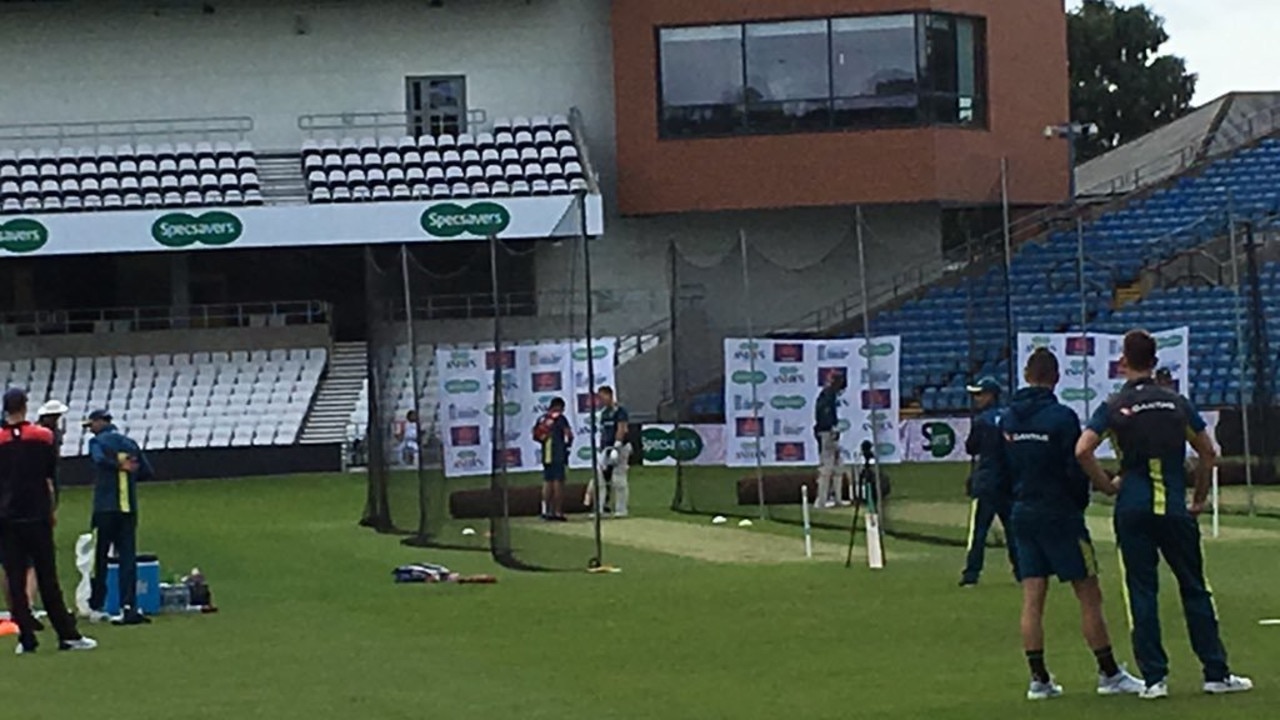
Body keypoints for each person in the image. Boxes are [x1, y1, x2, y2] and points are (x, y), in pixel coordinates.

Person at [1076, 330, 1252, 700]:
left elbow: (1082, 450)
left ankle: (1155, 679)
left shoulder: (1113, 406)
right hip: (1174, 507)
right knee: (1195, 587)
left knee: (1141, 591)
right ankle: (1215, 672)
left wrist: (1107, 486)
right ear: (1155, 362)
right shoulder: (1177, 404)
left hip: (1132, 508)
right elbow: (1209, 452)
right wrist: (1199, 498)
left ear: (1124, 361)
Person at [1002, 349, 1142, 700]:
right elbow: (1074, 467)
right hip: (1059, 514)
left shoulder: (1008, 419)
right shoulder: (1061, 417)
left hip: (1022, 511)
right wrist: (1089, 495)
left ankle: (1039, 679)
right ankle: (1109, 672)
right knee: (1088, 593)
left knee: (1033, 598)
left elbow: (1005, 467)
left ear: (1026, 373)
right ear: (1056, 377)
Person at [0, 388, 96, 654]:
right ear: (25, 406)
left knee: (15, 578)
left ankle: (26, 639)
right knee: (47, 577)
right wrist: (51, 508)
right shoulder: (42, 437)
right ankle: (67, 634)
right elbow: (48, 478)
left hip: (7, 518)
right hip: (37, 514)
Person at [85, 408, 155, 625]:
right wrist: (129, 474)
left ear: (99, 422)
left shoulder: (98, 443)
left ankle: (97, 604)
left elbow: (98, 460)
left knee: (100, 558)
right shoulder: (130, 443)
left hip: (105, 508)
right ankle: (129, 606)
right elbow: (147, 471)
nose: (90, 430)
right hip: (128, 509)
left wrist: (117, 466)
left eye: (91, 425)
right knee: (127, 559)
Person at [959, 376, 1017, 587]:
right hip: (1008, 482)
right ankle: (1021, 572)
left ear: (991, 395)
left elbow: (971, 447)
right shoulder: (1011, 417)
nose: (976, 399)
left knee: (980, 532)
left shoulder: (982, 420)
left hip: (987, 482)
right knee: (1012, 531)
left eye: (980, 394)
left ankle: (971, 575)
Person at [586, 386, 630, 517]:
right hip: (605, 448)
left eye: (602, 397)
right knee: (599, 478)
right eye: (598, 398)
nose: (600, 400)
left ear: (610, 395)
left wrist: (617, 445)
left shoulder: (619, 410)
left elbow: (622, 428)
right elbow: (603, 432)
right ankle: (600, 509)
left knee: (618, 478)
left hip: (619, 447)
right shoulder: (603, 413)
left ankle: (621, 509)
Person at [532, 397, 572, 522]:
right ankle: (558, 512)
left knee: (547, 482)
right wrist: (567, 447)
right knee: (558, 482)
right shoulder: (560, 419)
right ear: (560, 407)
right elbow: (568, 435)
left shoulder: (543, 418)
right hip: (558, 453)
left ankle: (545, 511)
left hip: (546, 454)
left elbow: (536, 435)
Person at [813, 371, 847, 508]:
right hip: (826, 433)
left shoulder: (830, 394)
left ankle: (837, 498)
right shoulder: (827, 395)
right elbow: (824, 414)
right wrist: (831, 428)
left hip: (830, 432)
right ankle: (820, 501)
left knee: (838, 466)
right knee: (826, 468)